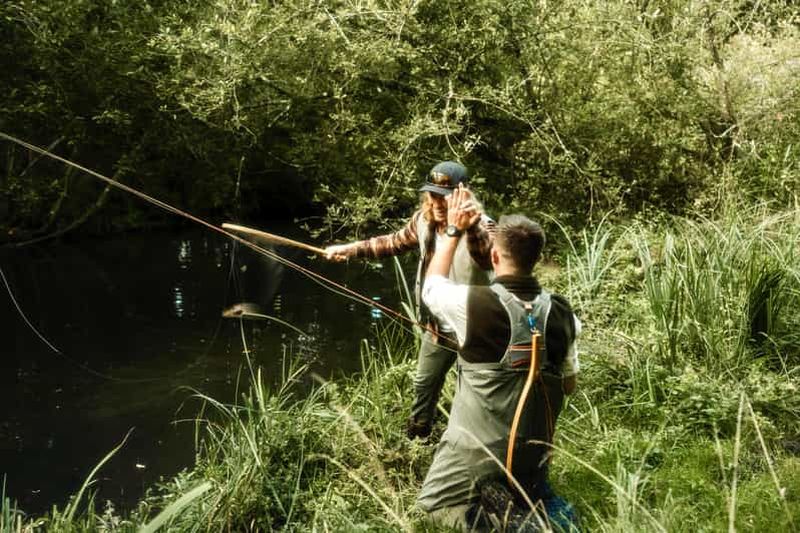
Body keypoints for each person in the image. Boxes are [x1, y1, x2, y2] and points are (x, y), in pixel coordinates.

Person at [417, 185, 580, 531]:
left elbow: (430, 287)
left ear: (494, 258)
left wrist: (452, 230)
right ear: (537, 259)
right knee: (528, 491)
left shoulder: (474, 305)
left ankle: (507, 525)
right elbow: (569, 387)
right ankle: (521, 500)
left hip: (478, 450)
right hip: (534, 454)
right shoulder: (565, 314)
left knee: (433, 506)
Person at [324, 161, 495, 440]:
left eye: (446, 196)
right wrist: (350, 249)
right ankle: (417, 440)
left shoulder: (484, 227)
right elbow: (392, 242)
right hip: (438, 327)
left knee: (473, 398)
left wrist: (468, 224)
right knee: (424, 384)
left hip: (475, 330)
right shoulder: (423, 221)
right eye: (433, 195)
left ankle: (467, 448)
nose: (438, 202)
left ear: (463, 195)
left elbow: (491, 257)